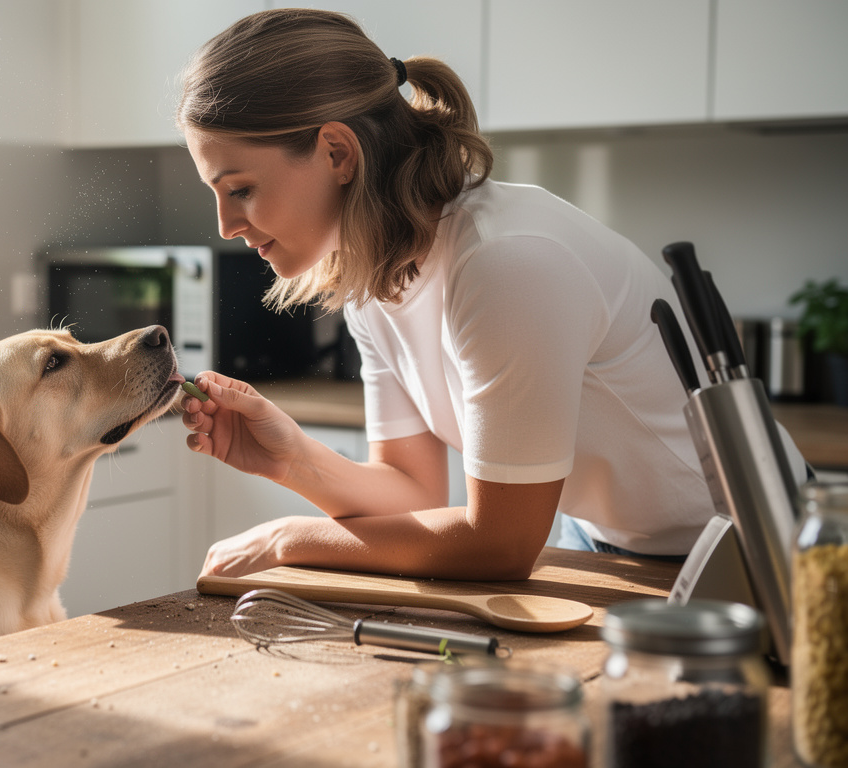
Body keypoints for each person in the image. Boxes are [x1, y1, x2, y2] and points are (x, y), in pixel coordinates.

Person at [174, 8, 805, 581]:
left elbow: (499, 544)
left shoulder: (504, 260)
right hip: (607, 549)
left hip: (758, 553)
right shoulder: (373, 280)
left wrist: (294, 539)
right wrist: (289, 459)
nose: (226, 226)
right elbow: (413, 491)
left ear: (337, 151)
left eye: (240, 189)